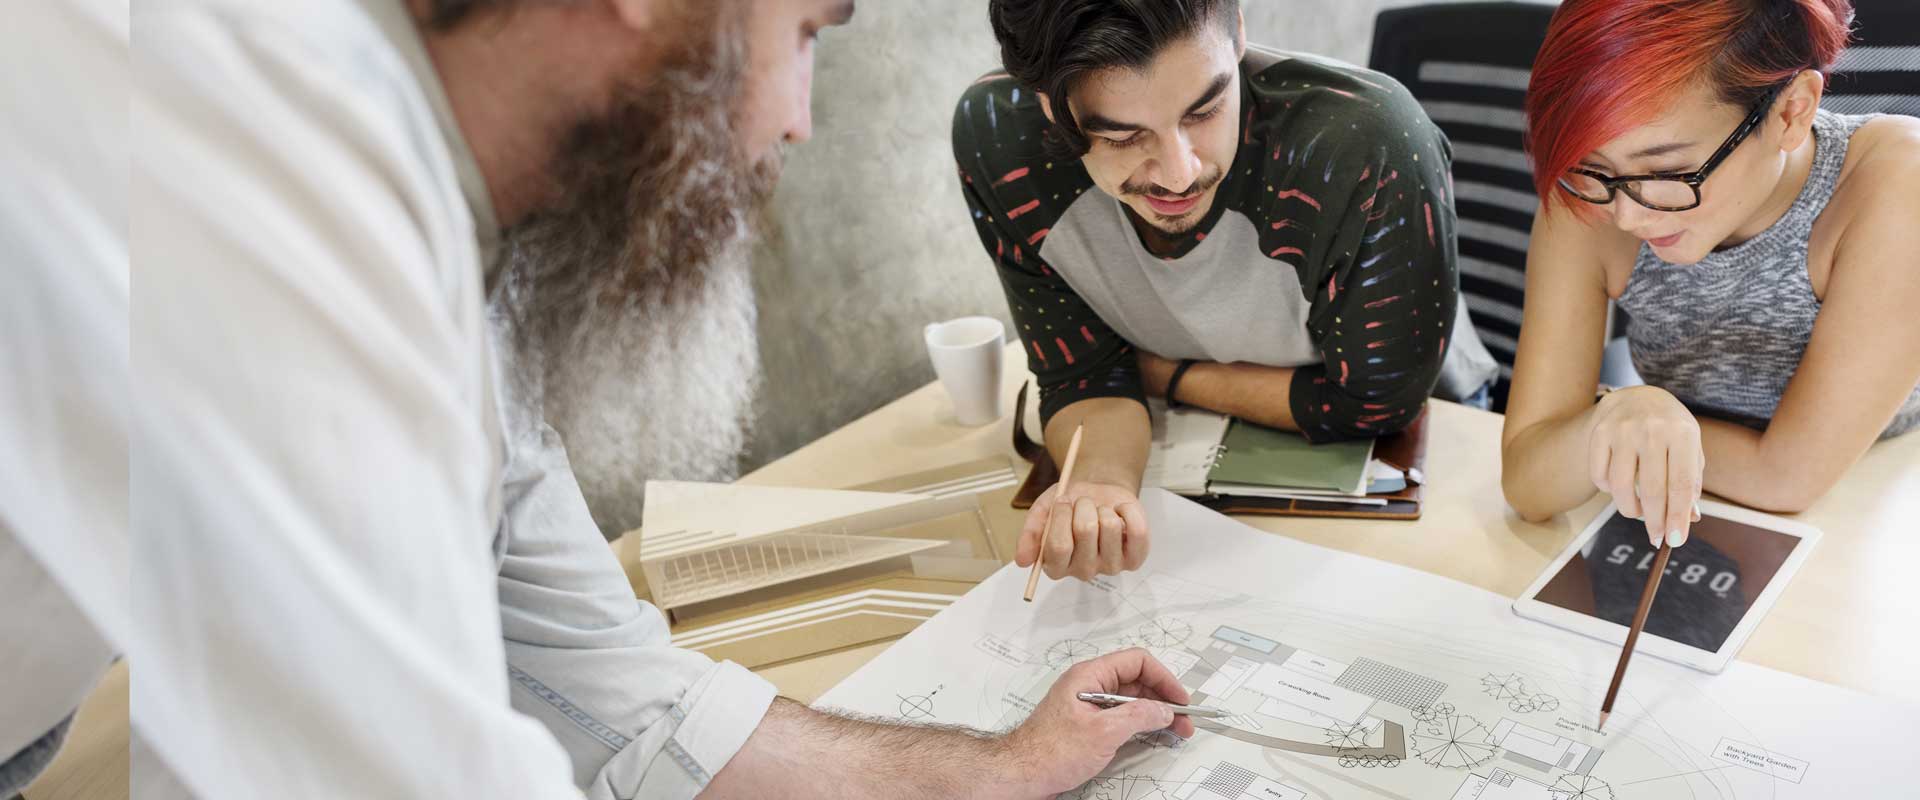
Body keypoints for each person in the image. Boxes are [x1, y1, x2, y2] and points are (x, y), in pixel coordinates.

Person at [124, 0, 1197, 797]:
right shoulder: (271, 217)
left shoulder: (463, 280)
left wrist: (1006, 768)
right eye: (804, 34)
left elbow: (627, 703)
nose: (797, 120)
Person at [959, 0, 1496, 583]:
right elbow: (1083, 376)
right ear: (1048, 105)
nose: (1179, 173)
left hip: (1410, 452)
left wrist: (1158, 373)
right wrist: (1099, 485)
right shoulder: (1001, 142)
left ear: (1238, 30)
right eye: (1122, 136)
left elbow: (1374, 404)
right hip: (1196, 453)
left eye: (1206, 109)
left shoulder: (1366, 143)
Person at [1499, 0, 1920, 547]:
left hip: (1875, 509)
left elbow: (1787, 479)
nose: (1627, 217)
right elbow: (1526, 477)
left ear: (1792, 112)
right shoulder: (1592, 196)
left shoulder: (1898, 182)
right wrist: (1617, 418)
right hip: (1685, 514)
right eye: (1594, 167)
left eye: (1668, 172)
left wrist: (1602, 435)